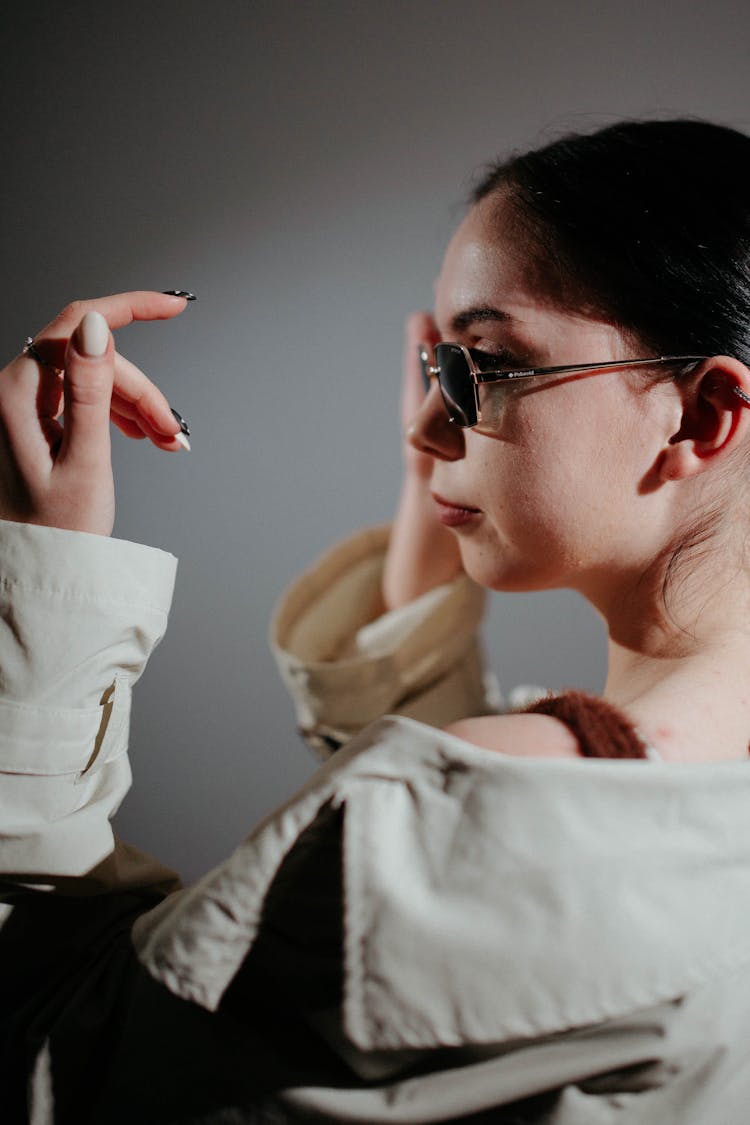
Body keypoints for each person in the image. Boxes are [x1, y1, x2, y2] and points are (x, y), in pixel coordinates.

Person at [2, 118, 750, 1123]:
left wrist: (43, 573)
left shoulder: (477, 815)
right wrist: (448, 488)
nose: (423, 424)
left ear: (700, 416)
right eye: (439, 367)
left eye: (484, 364)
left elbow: (52, 1055)